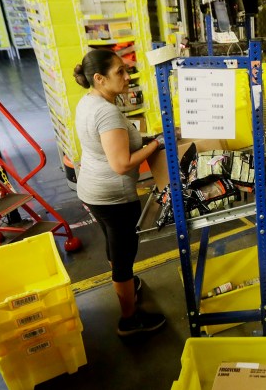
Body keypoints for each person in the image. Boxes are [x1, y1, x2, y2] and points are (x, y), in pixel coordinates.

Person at [73, 49, 167, 336]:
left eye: (127, 71)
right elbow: (121, 163)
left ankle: (127, 284)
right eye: (120, 73)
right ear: (99, 78)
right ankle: (129, 319)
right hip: (113, 196)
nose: (127, 77)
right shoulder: (107, 112)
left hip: (92, 190)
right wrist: (156, 144)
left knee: (115, 247)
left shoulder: (88, 102)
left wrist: (146, 141)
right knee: (124, 257)